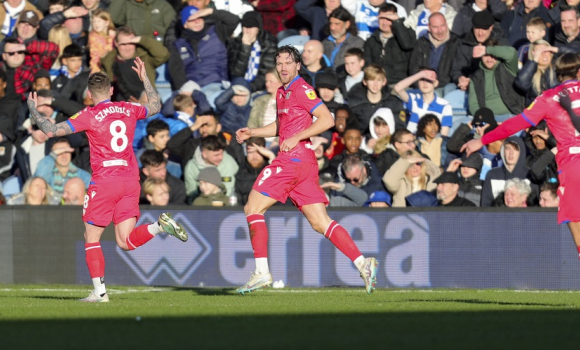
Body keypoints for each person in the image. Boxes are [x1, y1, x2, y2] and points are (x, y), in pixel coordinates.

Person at [26, 58, 188, 303]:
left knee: (91, 238)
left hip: (105, 181)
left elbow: (50, 130)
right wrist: (145, 77)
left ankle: (100, 293)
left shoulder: (89, 114)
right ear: (111, 90)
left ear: (90, 94)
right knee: (125, 242)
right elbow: (154, 105)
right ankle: (159, 227)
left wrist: (33, 109)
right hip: (130, 180)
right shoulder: (128, 108)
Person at [235, 45, 378, 294]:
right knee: (320, 222)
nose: (283, 67)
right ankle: (363, 263)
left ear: (298, 65)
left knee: (252, 207)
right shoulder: (282, 92)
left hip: (293, 160)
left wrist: (296, 137)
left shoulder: (302, 88)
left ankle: (261, 272)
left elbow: (327, 119)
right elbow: (282, 125)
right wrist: (253, 132)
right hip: (305, 165)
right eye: (279, 63)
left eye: (288, 62)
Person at [461, 53, 580, 257]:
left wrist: (482, 140)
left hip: (572, 162)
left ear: (556, 74)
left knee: (575, 219)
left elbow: (514, 125)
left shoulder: (548, 98)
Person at [363, 4, 415, 87]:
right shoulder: (371, 40)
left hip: (400, 85)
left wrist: (398, 22)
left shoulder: (407, 34)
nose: (384, 22)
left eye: (388, 19)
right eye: (382, 18)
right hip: (377, 85)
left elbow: (407, 44)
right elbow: (368, 66)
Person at [392, 68, 453, 136]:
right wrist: (420, 74)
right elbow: (397, 88)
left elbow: (443, 134)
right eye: (422, 79)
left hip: (431, 143)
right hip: (412, 142)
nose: (425, 83)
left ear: (436, 83)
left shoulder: (445, 105)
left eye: (428, 80)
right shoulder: (414, 99)